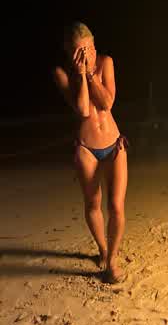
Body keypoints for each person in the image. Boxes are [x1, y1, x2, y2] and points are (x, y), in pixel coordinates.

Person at [53, 22, 127, 284]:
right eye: (79, 50)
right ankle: (103, 250)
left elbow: (107, 103)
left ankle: (113, 260)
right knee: (93, 203)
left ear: (94, 45)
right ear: (69, 51)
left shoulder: (106, 62)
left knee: (116, 206)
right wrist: (81, 74)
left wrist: (92, 74)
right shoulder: (62, 73)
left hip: (114, 144)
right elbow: (84, 110)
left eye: (88, 48)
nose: (85, 54)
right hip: (86, 148)